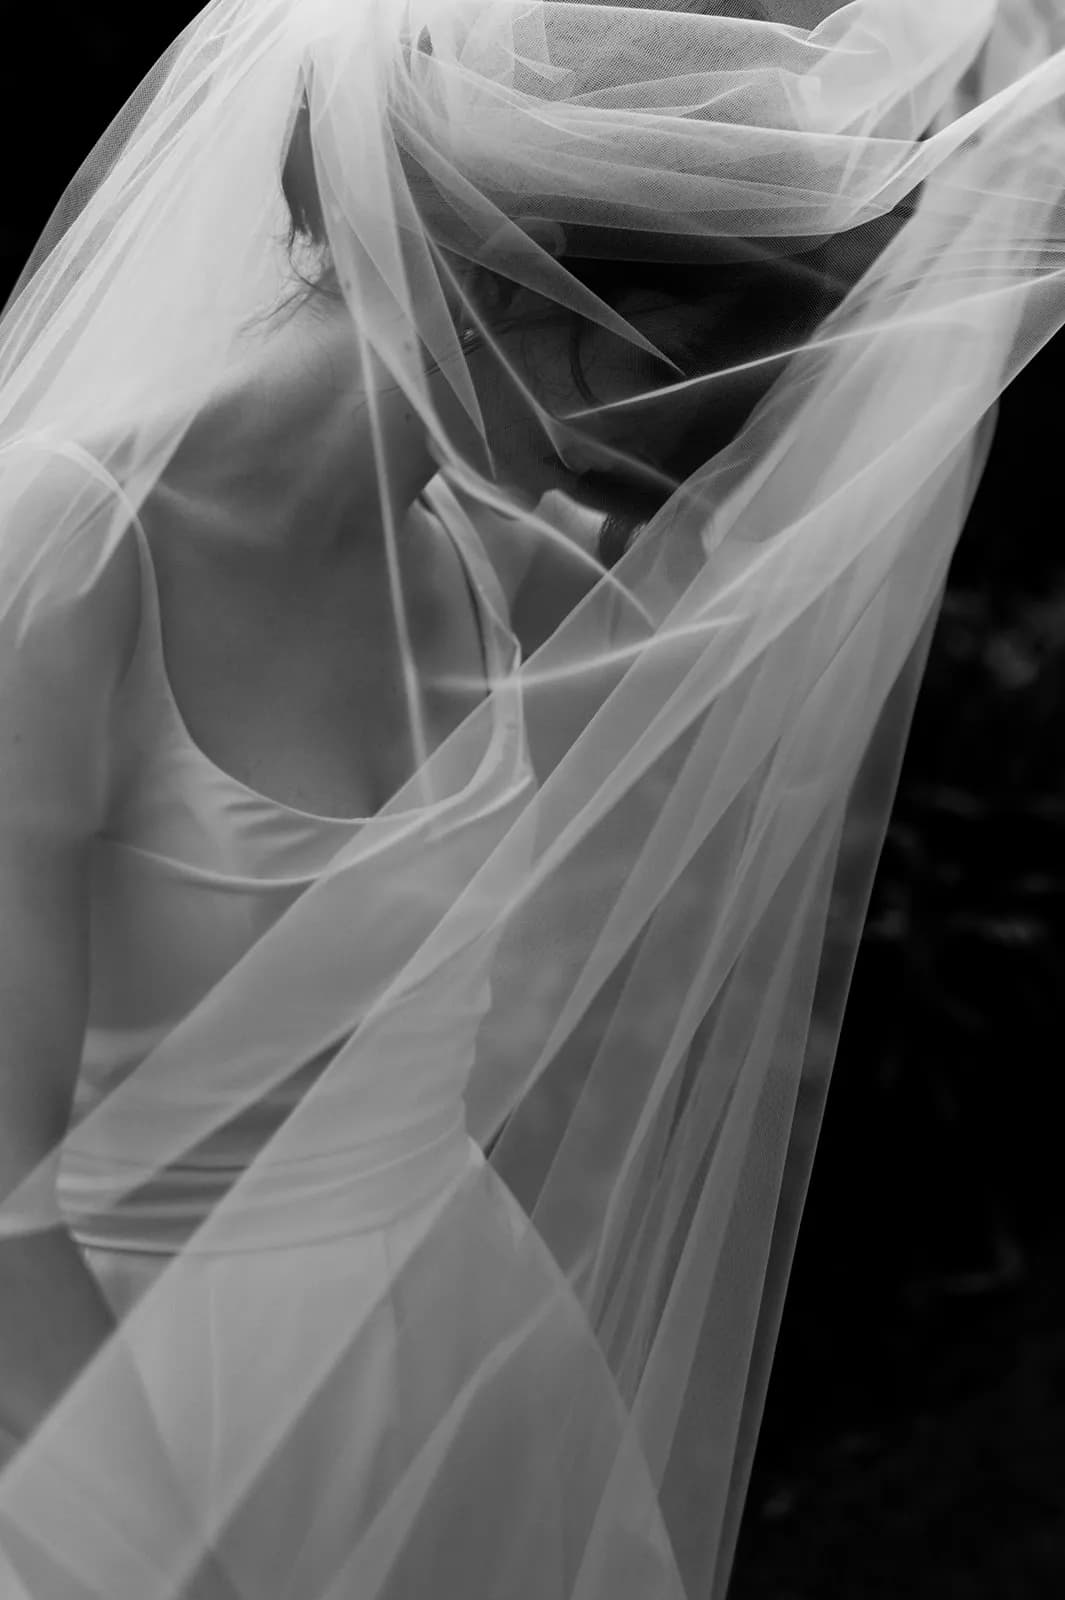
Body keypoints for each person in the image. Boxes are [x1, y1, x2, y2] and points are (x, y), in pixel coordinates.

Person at [0, 3, 1063, 1597]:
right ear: (501, 286)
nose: (669, 441)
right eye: (659, 367)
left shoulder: (506, 565)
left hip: (465, 1378)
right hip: (128, 1420)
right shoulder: (73, 554)